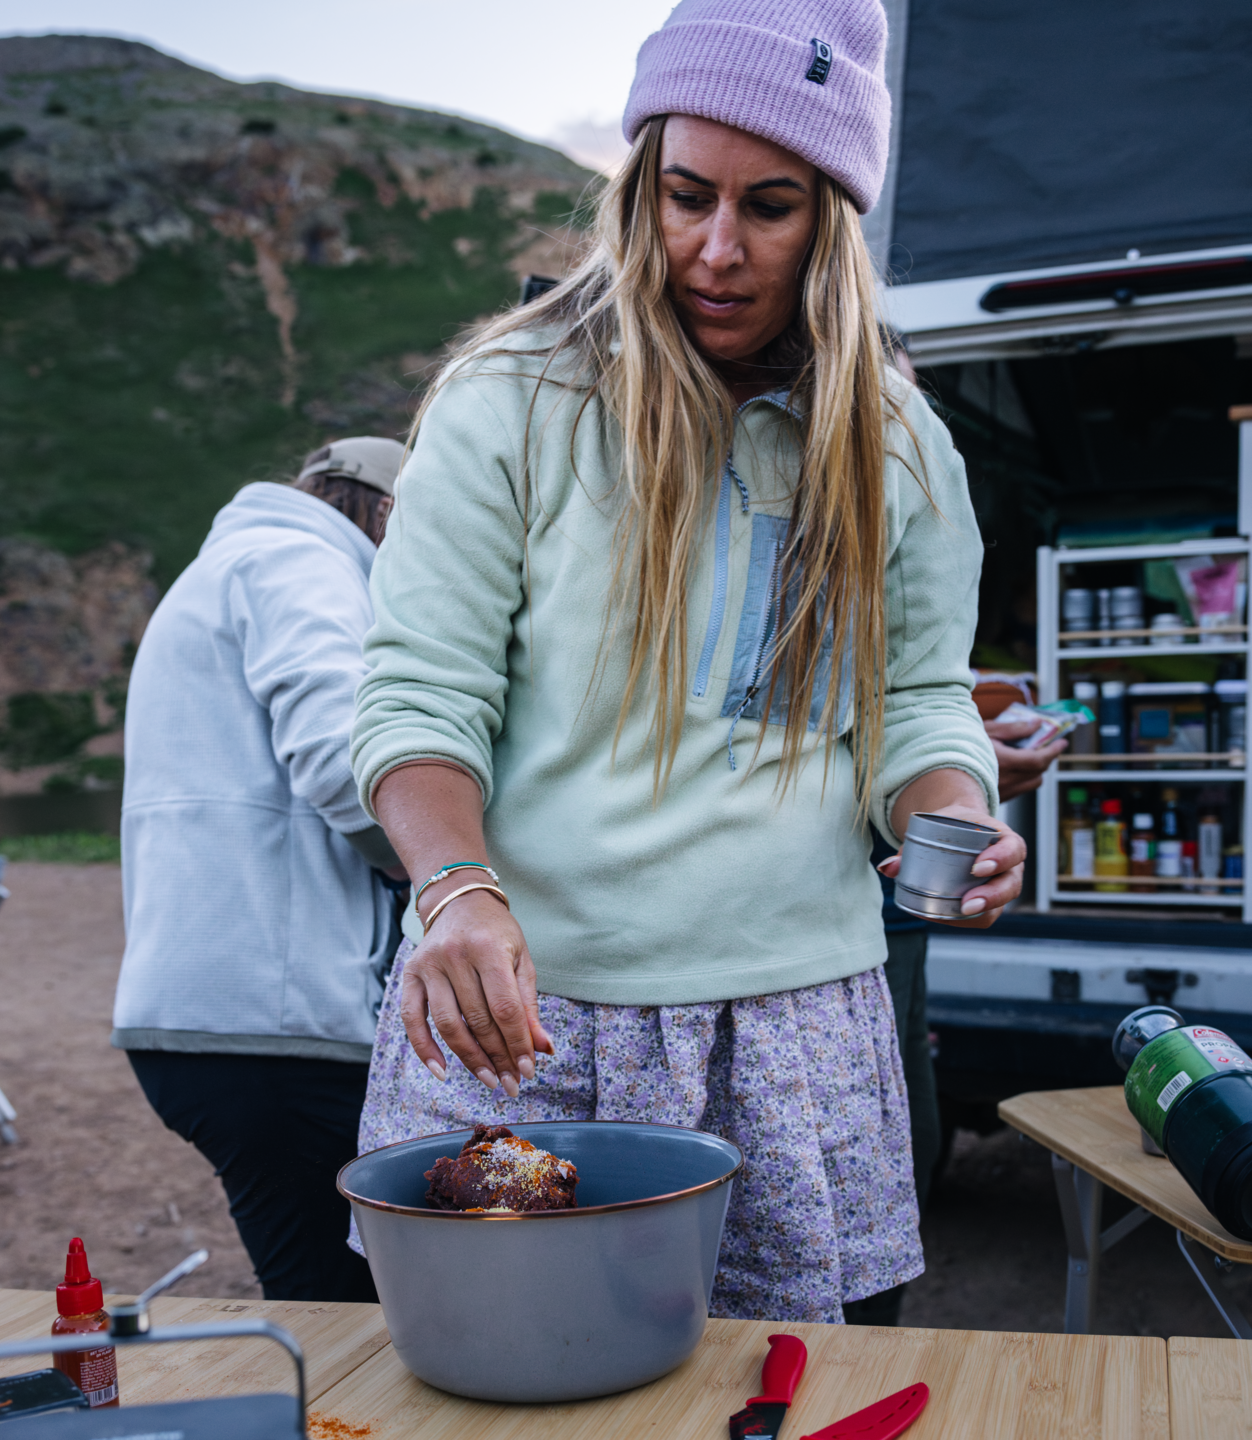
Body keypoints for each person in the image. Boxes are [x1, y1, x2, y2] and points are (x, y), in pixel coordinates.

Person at [348, 0, 1024, 1324]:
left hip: (795, 1026)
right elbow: (422, 700)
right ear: (638, 181)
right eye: (686, 194)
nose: (717, 249)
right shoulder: (513, 402)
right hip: (525, 1015)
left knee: (786, 1397)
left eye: (770, 206)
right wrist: (456, 894)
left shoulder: (898, 446)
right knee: (512, 1386)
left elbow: (922, 706)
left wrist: (958, 812)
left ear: (834, 217)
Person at [113, 436, 406, 1303]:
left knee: (325, 1290)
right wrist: (446, 869)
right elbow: (348, 765)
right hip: (277, 1024)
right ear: (388, 514)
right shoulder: (300, 564)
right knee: (347, 1307)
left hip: (213, 1016)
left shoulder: (226, 567)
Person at [844, 713, 1065, 1325]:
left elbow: (918, 705)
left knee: (903, 1152)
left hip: (894, 927)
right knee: (865, 1173)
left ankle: (857, 1365)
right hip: (830, 932)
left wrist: (959, 785)